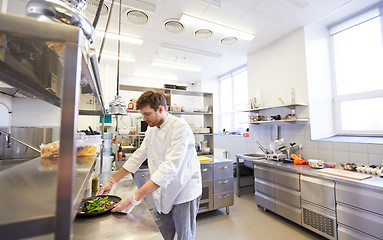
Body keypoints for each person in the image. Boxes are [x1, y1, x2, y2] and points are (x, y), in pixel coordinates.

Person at [97, 90, 202, 240]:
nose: (144, 118)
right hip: (162, 192)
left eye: (147, 114)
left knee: (184, 236)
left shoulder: (180, 128)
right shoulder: (152, 129)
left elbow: (169, 169)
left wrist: (134, 198)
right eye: (143, 115)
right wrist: (112, 181)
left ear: (160, 109)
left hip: (183, 191)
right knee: (161, 234)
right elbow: (138, 155)